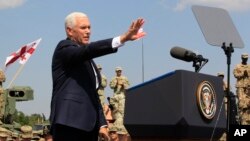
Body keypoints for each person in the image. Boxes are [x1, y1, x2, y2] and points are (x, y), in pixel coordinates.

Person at [49, 11, 145, 141]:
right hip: (70, 123)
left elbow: (93, 94)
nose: (88, 31)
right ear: (69, 31)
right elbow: (88, 50)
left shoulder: (88, 61)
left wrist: (102, 123)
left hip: (89, 127)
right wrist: (122, 38)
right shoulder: (64, 48)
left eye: (89, 27)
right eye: (83, 28)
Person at [109, 67, 130, 141]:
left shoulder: (124, 78)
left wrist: (123, 84)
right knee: (116, 111)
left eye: (120, 71)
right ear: (116, 72)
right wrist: (116, 82)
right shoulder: (113, 78)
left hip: (122, 96)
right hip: (115, 96)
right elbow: (111, 86)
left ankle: (122, 128)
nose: (119, 72)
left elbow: (128, 86)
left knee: (122, 112)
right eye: (118, 71)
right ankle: (117, 127)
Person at [233, 53, 250, 125]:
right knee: (241, 104)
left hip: (248, 87)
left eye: (246, 58)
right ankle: (242, 120)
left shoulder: (249, 67)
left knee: (248, 104)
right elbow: (235, 74)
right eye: (244, 58)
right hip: (240, 87)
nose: (245, 59)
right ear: (242, 58)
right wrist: (243, 73)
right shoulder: (238, 66)